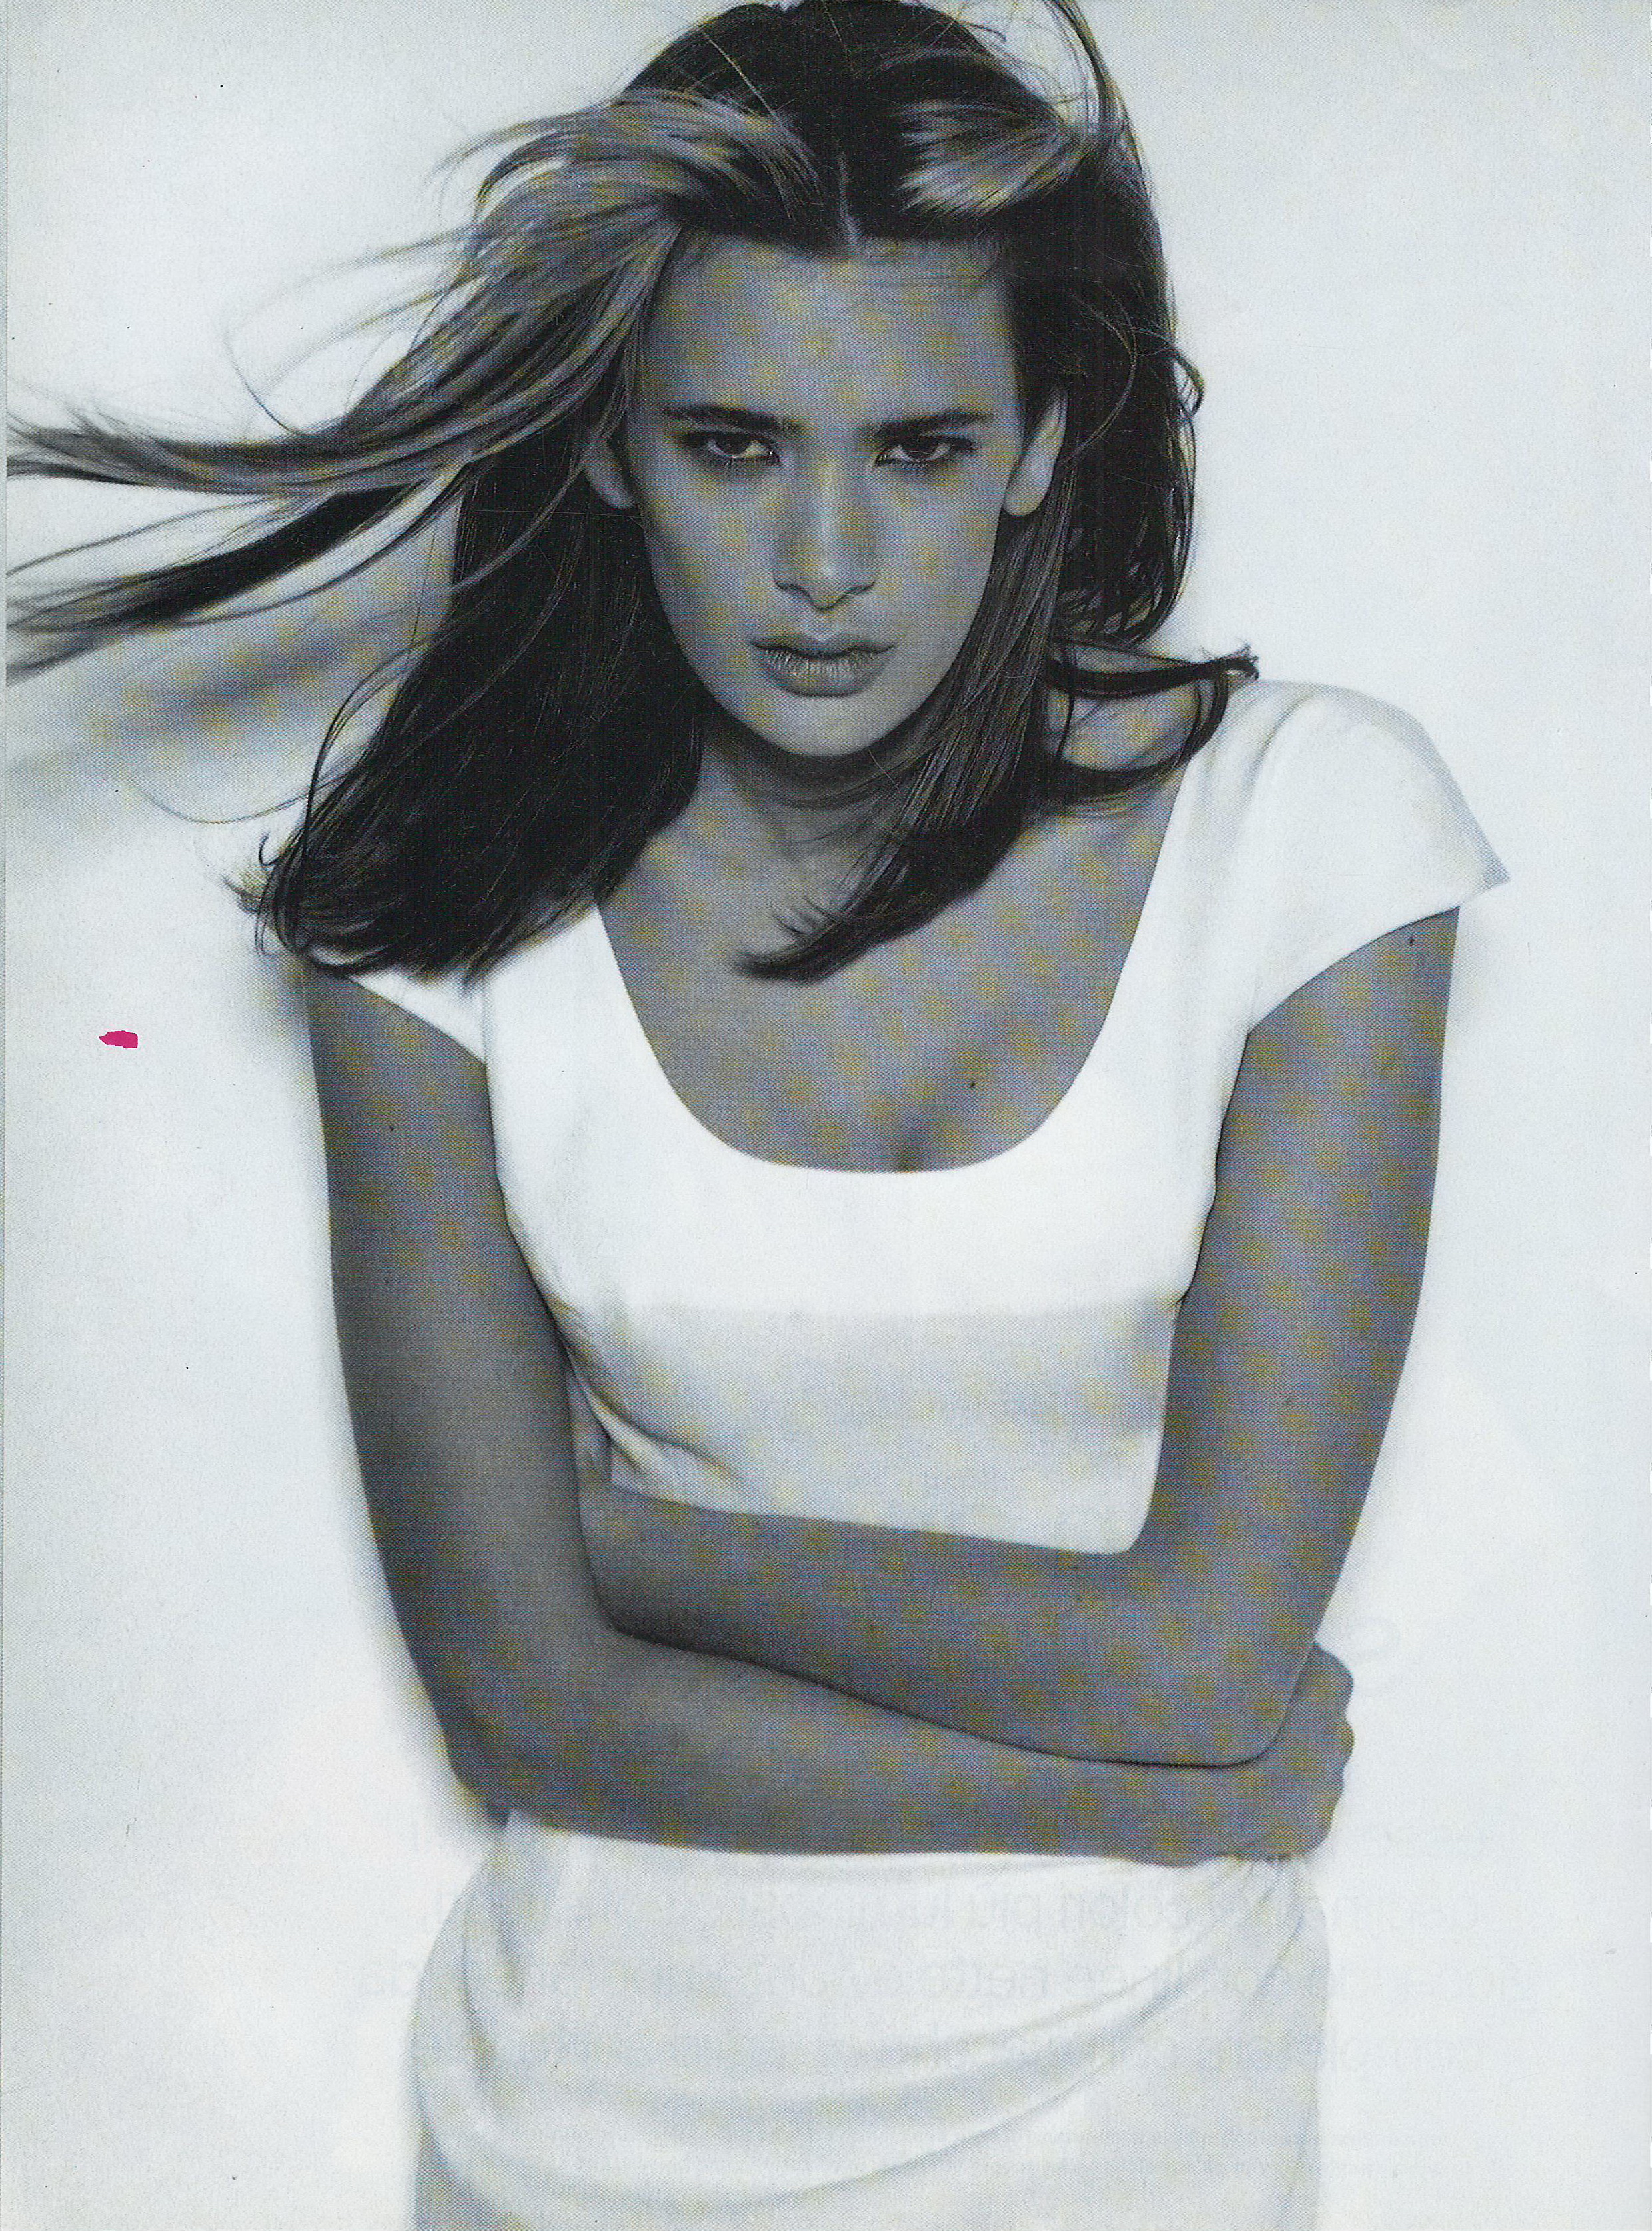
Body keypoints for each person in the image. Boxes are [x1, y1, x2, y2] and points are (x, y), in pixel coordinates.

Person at [8, 2, 1505, 2224]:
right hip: (586, 2112)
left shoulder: (1311, 834)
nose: (824, 555)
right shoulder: (439, 901)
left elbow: (1210, 1656)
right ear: (616, 445)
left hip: (1140, 2105)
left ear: (1039, 442)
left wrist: (613, 1542)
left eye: (917, 446)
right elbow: (524, 1711)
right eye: (732, 445)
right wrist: (1156, 1791)